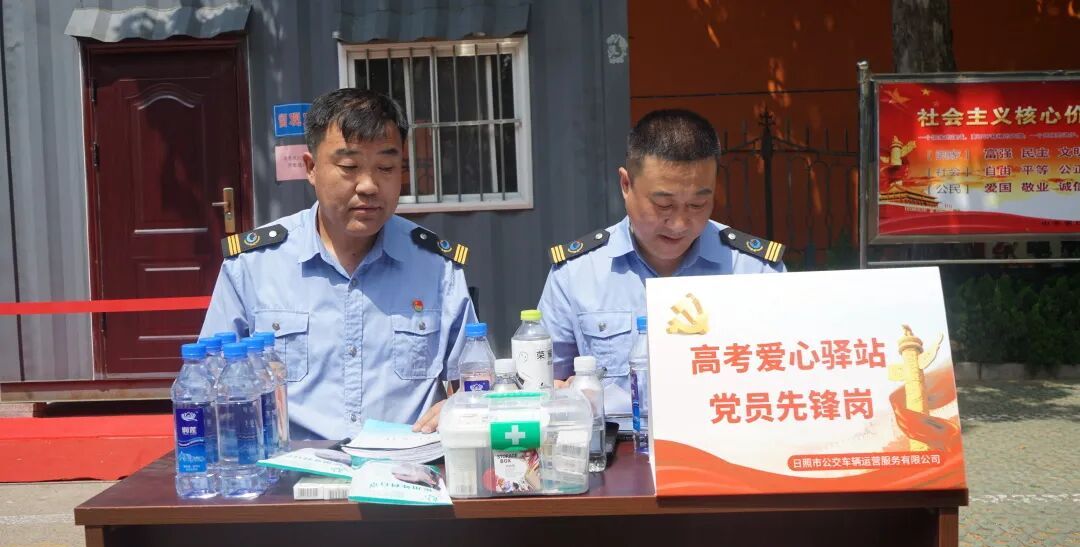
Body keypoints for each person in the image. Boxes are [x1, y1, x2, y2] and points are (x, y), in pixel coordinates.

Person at [201, 89, 476, 440]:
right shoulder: (253, 267)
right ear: (311, 168)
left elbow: (474, 383)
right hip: (289, 466)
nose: (369, 186)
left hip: (405, 465)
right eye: (349, 167)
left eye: (386, 168)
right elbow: (208, 386)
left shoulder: (437, 268)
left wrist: (460, 405)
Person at [536, 109, 786, 426]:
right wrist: (561, 397)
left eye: (697, 204)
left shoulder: (755, 271)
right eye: (663, 205)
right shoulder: (576, 274)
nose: (679, 223)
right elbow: (543, 381)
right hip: (619, 449)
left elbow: (787, 374)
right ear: (626, 184)